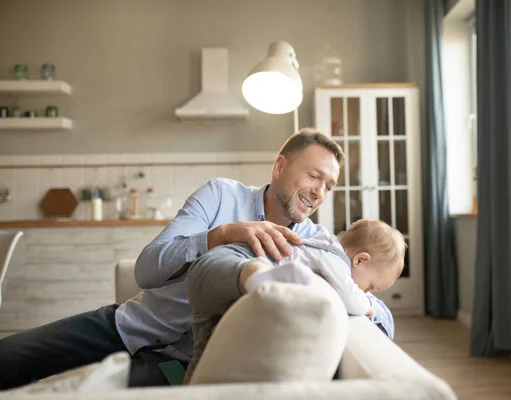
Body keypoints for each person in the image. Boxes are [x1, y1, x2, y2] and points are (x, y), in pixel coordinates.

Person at [0, 128, 394, 389]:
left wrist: (374, 310)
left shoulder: (315, 245)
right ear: (279, 166)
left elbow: (370, 302)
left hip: (186, 365)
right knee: (13, 358)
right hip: (128, 326)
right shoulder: (221, 195)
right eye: (313, 176)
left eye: (329, 185)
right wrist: (221, 235)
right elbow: (147, 269)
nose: (319, 192)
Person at [184, 219, 406, 380]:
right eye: (370, 287)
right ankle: (263, 280)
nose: (366, 292)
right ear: (360, 259)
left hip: (228, 262)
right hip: (232, 260)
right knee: (201, 348)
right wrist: (368, 306)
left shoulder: (324, 241)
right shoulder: (336, 261)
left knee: (204, 342)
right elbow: (352, 299)